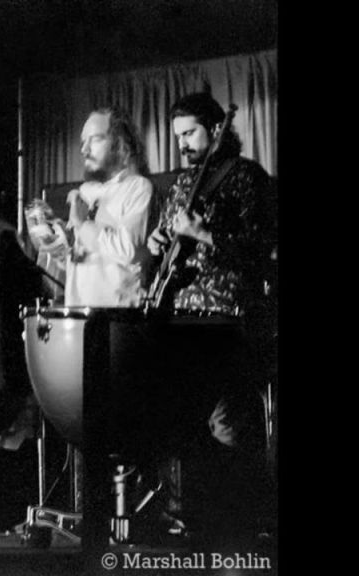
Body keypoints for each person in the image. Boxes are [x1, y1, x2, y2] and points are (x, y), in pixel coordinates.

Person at [146, 92, 276, 543]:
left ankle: (242, 522)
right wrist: (158, 243)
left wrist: (203, 232)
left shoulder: (249, 179)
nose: (182, 143)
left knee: (230, 422)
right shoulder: (183, 184)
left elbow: (262, 253)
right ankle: (196, 517)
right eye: (177, 135)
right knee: (187, 423)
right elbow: (169, 240)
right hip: (184, 315)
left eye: (190, 133)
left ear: (218, 127)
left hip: (230, 316)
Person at [30, 106, 153, 307]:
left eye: (95, 139)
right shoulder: (86, 191)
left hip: (118, 316)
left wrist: (82, 224)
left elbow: (127, 250)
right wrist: (56, 241)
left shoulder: (138, 188)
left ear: (121, 145)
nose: (84, 150)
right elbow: (78, 261)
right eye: (83, 142)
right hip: (79, 312)